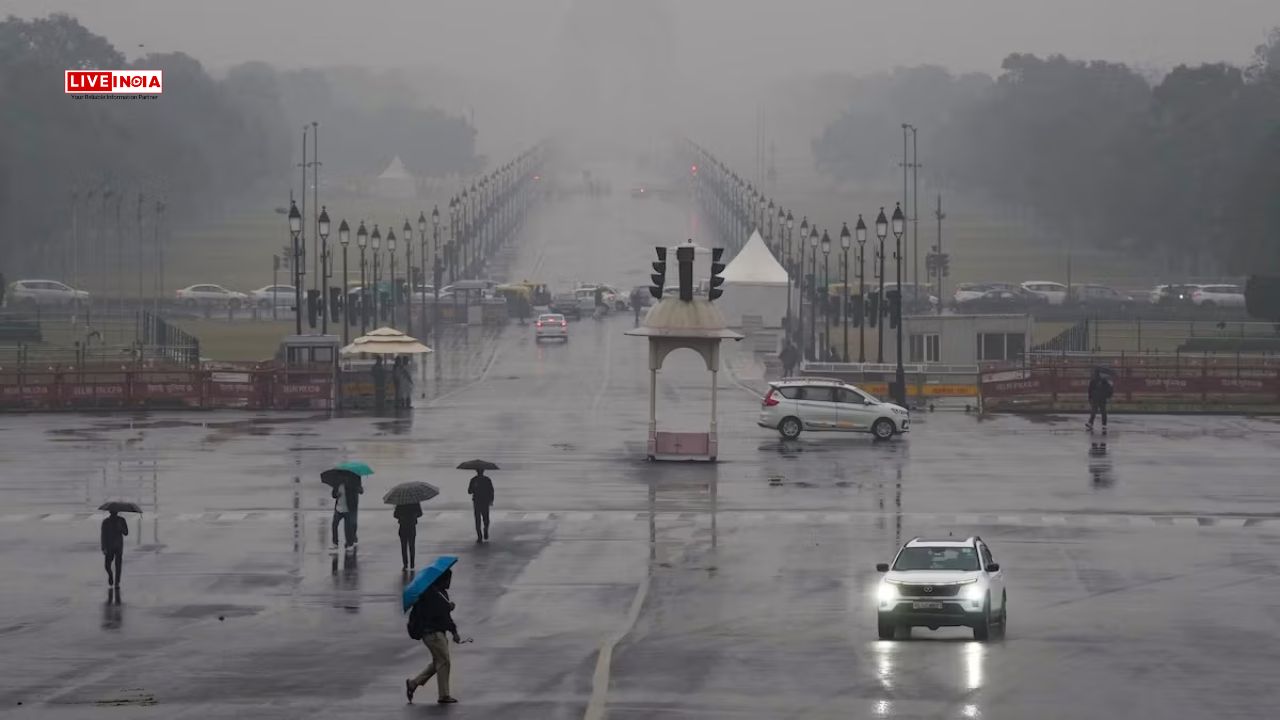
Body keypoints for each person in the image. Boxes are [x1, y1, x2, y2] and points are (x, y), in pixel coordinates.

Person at [405, 569, 461, 705]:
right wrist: (454, 632)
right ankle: (444, 695)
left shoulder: (435, 592)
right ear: (442, 579)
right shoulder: (435, 594)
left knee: (438, 662)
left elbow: (442, 612)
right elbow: (443, 617)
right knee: (445, 661)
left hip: (431, 634)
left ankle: (413, 683)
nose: (449, 583)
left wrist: (447, 607)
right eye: (448, 580)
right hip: (433, 634)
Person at [101, 509, 128, 587]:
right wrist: (104, 547)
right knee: (107, 565)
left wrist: (121, 528)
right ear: (110, 512)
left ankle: (117, 582)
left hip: (118, 546)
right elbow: (103, 535)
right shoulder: (106, 522)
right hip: (109, 546)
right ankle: (110, 575)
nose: (113, 513)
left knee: (118, 565)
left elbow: (126, 532)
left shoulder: (122, 520)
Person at [395, 502, 423, 570]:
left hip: (403, 526)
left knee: (404, 547)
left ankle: (405, 564)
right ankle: (412, 564)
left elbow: (395, 514)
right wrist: (414, 515)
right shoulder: (415, 502)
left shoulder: (400, 502)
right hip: (411, 526)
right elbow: (420, 513)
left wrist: (401, 516)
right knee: (412, 546)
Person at [467, 470, 494, 542]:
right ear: (483, 471)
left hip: (477, 502)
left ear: (477, 472)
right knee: (486, 518)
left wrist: (474, 487)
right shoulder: (487, 480)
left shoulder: (473, 480)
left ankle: (479, 536)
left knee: (477, 519)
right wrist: (491, 500)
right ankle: (486, 528)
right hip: (485, 501)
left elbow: (469, 491)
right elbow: (491, 490)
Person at [1086, 367, 1114, 432]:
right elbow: (1109, 389)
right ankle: (1104, 424)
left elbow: (1090, 390)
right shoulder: (1105, 381)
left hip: (1095, 397)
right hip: (1102, 398)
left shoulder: (1093, 380)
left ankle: (1090, 423)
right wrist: (1109, 396)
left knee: (1094, 411)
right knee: (1103, 411)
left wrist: (1090, 397)